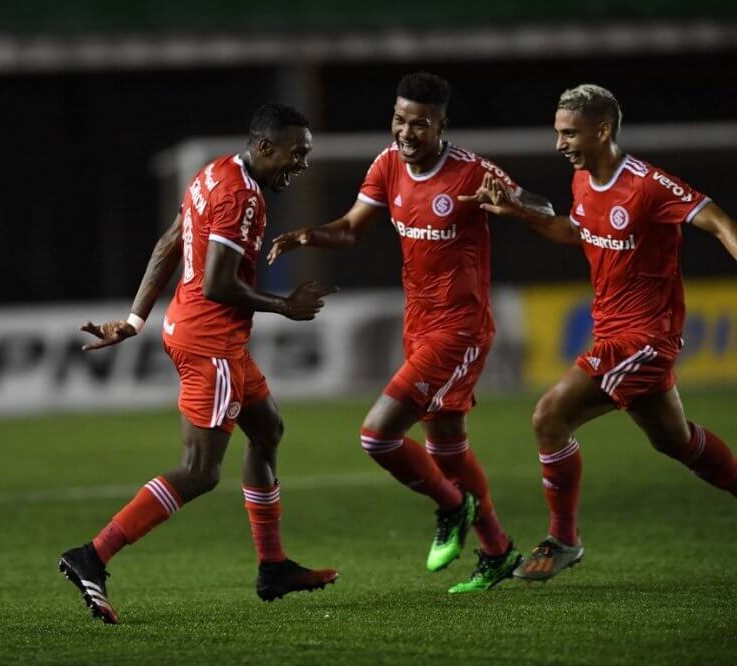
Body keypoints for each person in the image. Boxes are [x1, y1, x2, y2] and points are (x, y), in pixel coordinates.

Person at [268, 72, 553, 593]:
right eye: (399, 120)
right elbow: (352, 228)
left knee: (377, 435)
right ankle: (498, 551)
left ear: (442, 125)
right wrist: (309, 233)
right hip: (418, 326)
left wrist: (514, 205)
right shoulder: (387, 165)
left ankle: (451, 507)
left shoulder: (471, 172)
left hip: (460, 330)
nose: (405, 132)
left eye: (419, 124)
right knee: (447, 447)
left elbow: (545, 208)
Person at [63, 103, 339, 624]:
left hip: (205, 335)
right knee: (200, 471)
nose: (299, 165)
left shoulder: (214, 172)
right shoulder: (241, 196)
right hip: (210, 342)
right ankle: (91, 556)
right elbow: (218, 282)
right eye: (294, 154)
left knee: (268, 428)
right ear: (264, 147)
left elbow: (169, 242)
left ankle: (273, 566)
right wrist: (285, 306)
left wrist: (134, 320)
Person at [467, 83, 737, 581]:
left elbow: (718, 220)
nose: (559, 144)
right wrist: (520, 214)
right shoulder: (584, 184)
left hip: (644, 339)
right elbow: (576, 232)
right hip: (612, 332)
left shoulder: (647, 184)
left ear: (603, 129)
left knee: (550, 416)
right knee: (674, 441)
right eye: (558, 133)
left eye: (569, 133)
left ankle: (563, 541)